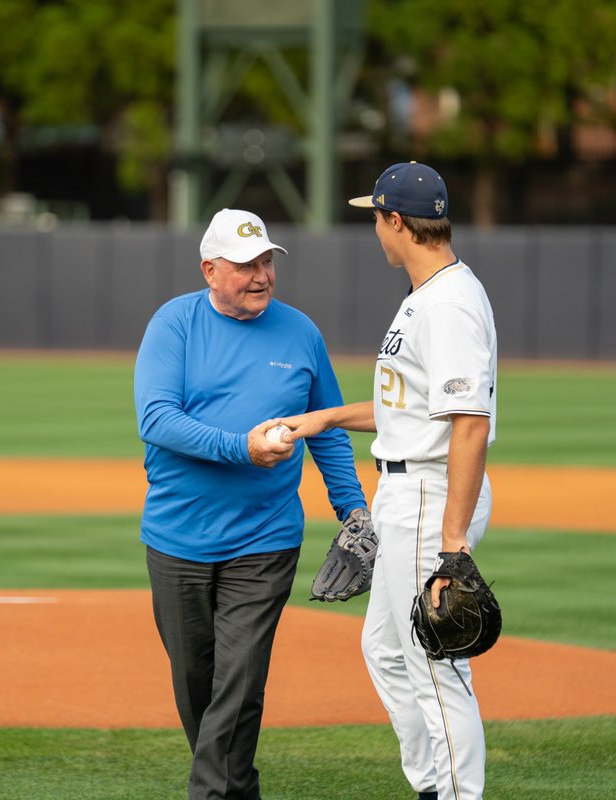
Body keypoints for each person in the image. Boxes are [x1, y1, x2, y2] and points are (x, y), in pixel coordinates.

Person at [280, 162, 498, 800]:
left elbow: (468, 425)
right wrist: (320, 418)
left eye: (375, 217)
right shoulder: (424, 297)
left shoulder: (450, 304)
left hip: (432, 493)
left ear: (396, 221)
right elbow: (406, 410)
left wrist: (452, 543)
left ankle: (457, 794)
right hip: (406, 488)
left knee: (433, 660)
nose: (374, 229)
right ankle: (432, 784)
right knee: (385, 647)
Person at [134, 207, 368, 800]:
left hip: (264, 539)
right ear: (210, 270)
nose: (261, 274)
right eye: (245, 265)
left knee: (239, 681)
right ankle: (238, 789)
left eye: (267, 261)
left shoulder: (301, 332)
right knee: (197, 685)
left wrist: (354, 512)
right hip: (177, 536)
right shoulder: (174, 324)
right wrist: (240, 448)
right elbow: (157, 419)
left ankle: (208, 795)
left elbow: (330, 429)